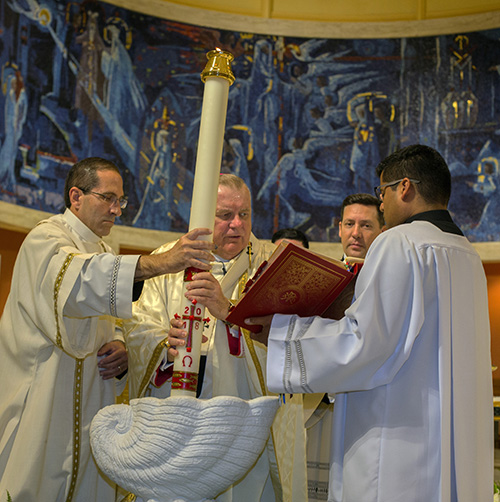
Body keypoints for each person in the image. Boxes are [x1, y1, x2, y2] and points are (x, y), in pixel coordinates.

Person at [247, 145, 493, 502]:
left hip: (395, 448)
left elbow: (364, 343)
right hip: (450, 443)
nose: (381, 204)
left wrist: (284, 335)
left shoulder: (399, 242)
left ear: (404, 187)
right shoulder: (466, 254)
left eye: (383, 193)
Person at [0, 157, 214, 502]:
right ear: (76, 196)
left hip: (89, 406)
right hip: (41, 399)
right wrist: (162, 262)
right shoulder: (46, 237)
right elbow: (79, 283)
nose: (117, 210)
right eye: (108, 198)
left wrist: (119, 343)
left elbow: (106, 317)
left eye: (122, 201)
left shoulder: (101, 249)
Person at [126, 173, 308, 501]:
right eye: (225, 216)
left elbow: (295, 336)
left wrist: (229, 311)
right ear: (203, 215)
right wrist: (165, 349)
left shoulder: (273, 264)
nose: (237, 224)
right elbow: (138, 328)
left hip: (247, 419)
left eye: (245, 215)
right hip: (178, 416)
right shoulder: (168, 259)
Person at [306, 193, 384, 501]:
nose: (356, 233)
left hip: (366, 411)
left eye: (366, 225)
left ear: (382, 231)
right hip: (312, 406)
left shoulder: (389, 279)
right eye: (349, 224)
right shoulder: (318, 278)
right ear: (338, 228)